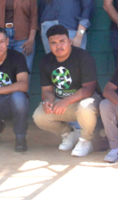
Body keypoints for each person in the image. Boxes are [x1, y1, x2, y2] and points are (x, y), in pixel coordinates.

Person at [32, 25, 102, 157]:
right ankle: (69, 133)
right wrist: (47, 101)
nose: (58, 46)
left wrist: (65, 101)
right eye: (53, 43)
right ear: (49, 44)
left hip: (88, 100)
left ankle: (86, 140)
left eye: (62, 41)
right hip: (63, 103)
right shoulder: (46, 61)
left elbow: (88, 89)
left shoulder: (83, 57)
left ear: (69, 41)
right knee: (39, 116)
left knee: (85, 107)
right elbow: (46, 90)